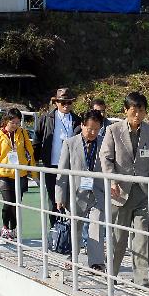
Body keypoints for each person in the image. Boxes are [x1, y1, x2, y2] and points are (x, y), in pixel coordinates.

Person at [99, 92, 149, 287]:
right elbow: (105, 157)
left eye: (141, 110)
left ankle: (142, 280)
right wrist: (112, 180)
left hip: (142, 191)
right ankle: (112, 275)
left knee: (142, 238)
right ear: (125, 110)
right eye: (134, 110)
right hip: (120, 191)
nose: (137, 114)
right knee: (118, 238)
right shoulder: (113, 130)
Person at [55, 109, 106, 270]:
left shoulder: (104, 142)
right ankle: (73, 257)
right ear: (82, 125)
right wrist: (60, 196)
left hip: (97, 192)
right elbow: (62, 172)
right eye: (89, 128)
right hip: (76, 193)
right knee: (75, 227)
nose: (92, 132)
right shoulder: (70, 143)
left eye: (96, 129)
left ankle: (96, 261)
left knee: (96, 225)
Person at [0, 108, 35, 241]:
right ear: (6, 121)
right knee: (8, 202)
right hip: (4, 174)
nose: (15, 125)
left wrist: (33, 170)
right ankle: (5, 227)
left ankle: (14, 228)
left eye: (17, 122)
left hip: (20, 173)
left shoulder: (22, 133)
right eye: (12, 122)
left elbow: (29, 151)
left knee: (16, 203)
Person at [33, 88, 82, 208]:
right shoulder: (46, 118)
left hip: (71, 165)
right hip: (51, 163)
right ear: (56, 103)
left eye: (69, 102)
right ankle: (54, 224)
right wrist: (34, 159)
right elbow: (37, 139)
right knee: (52, 198)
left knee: (71, 197)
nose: (66, 105)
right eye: (63, 102)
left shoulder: (77, 120)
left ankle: (69, 225)